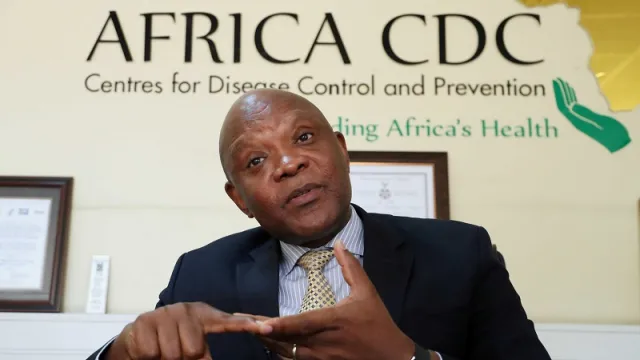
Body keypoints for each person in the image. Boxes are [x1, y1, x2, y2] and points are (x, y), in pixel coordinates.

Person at [86, 89, 552, 360]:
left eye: (304, 137)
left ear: (343, 151)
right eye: (255, 160)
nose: (288, 164)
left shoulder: (459, 253)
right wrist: (121, 352)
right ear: (240, 199)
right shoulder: (200, 274)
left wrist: (408, 359)